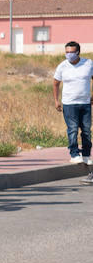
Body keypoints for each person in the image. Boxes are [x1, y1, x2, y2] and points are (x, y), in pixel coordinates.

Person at [53, 41, 93, 171]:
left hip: (85, 103)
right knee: (73, 129)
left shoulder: (88, 64)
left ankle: (86, 154)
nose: (69, 55)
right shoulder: (62, 66)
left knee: (86, 130)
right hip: (69, 103)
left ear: (78, 52)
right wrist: (56, 100)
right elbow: (55, 83)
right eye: (67, 52)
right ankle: (74, 154)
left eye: (71, 52)